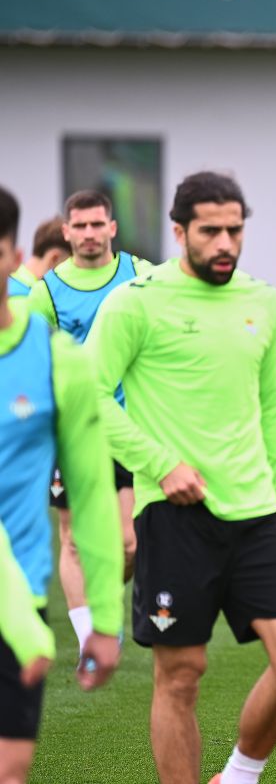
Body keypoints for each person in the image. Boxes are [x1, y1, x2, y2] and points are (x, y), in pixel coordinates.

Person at [86, 172, 276, 784]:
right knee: (182, 674)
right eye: (210, 231)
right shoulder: (135, 301)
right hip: (173, 518)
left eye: (234, 231)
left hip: (258, 512)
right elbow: (87, 397)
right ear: (179, 231)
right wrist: (161, 464)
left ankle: (239, 775)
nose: (225, 243)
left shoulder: (261, 300)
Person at [0, 184, 123, 784]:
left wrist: (104, 617)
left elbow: (92, 494)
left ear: (10, 255)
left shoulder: (54, 361)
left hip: (18, 601)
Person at [26, 192, 151, 656]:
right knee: (75, 538)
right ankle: (90, 638)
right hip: (71, 432)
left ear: (112, 228)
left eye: (98, 224)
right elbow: (33, 357)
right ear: (67, 232)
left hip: (127, 426)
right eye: (80, 226)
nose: (89, 234)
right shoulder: (47, 292)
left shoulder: (140, 275)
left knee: (129, 543)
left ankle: (103, 602)